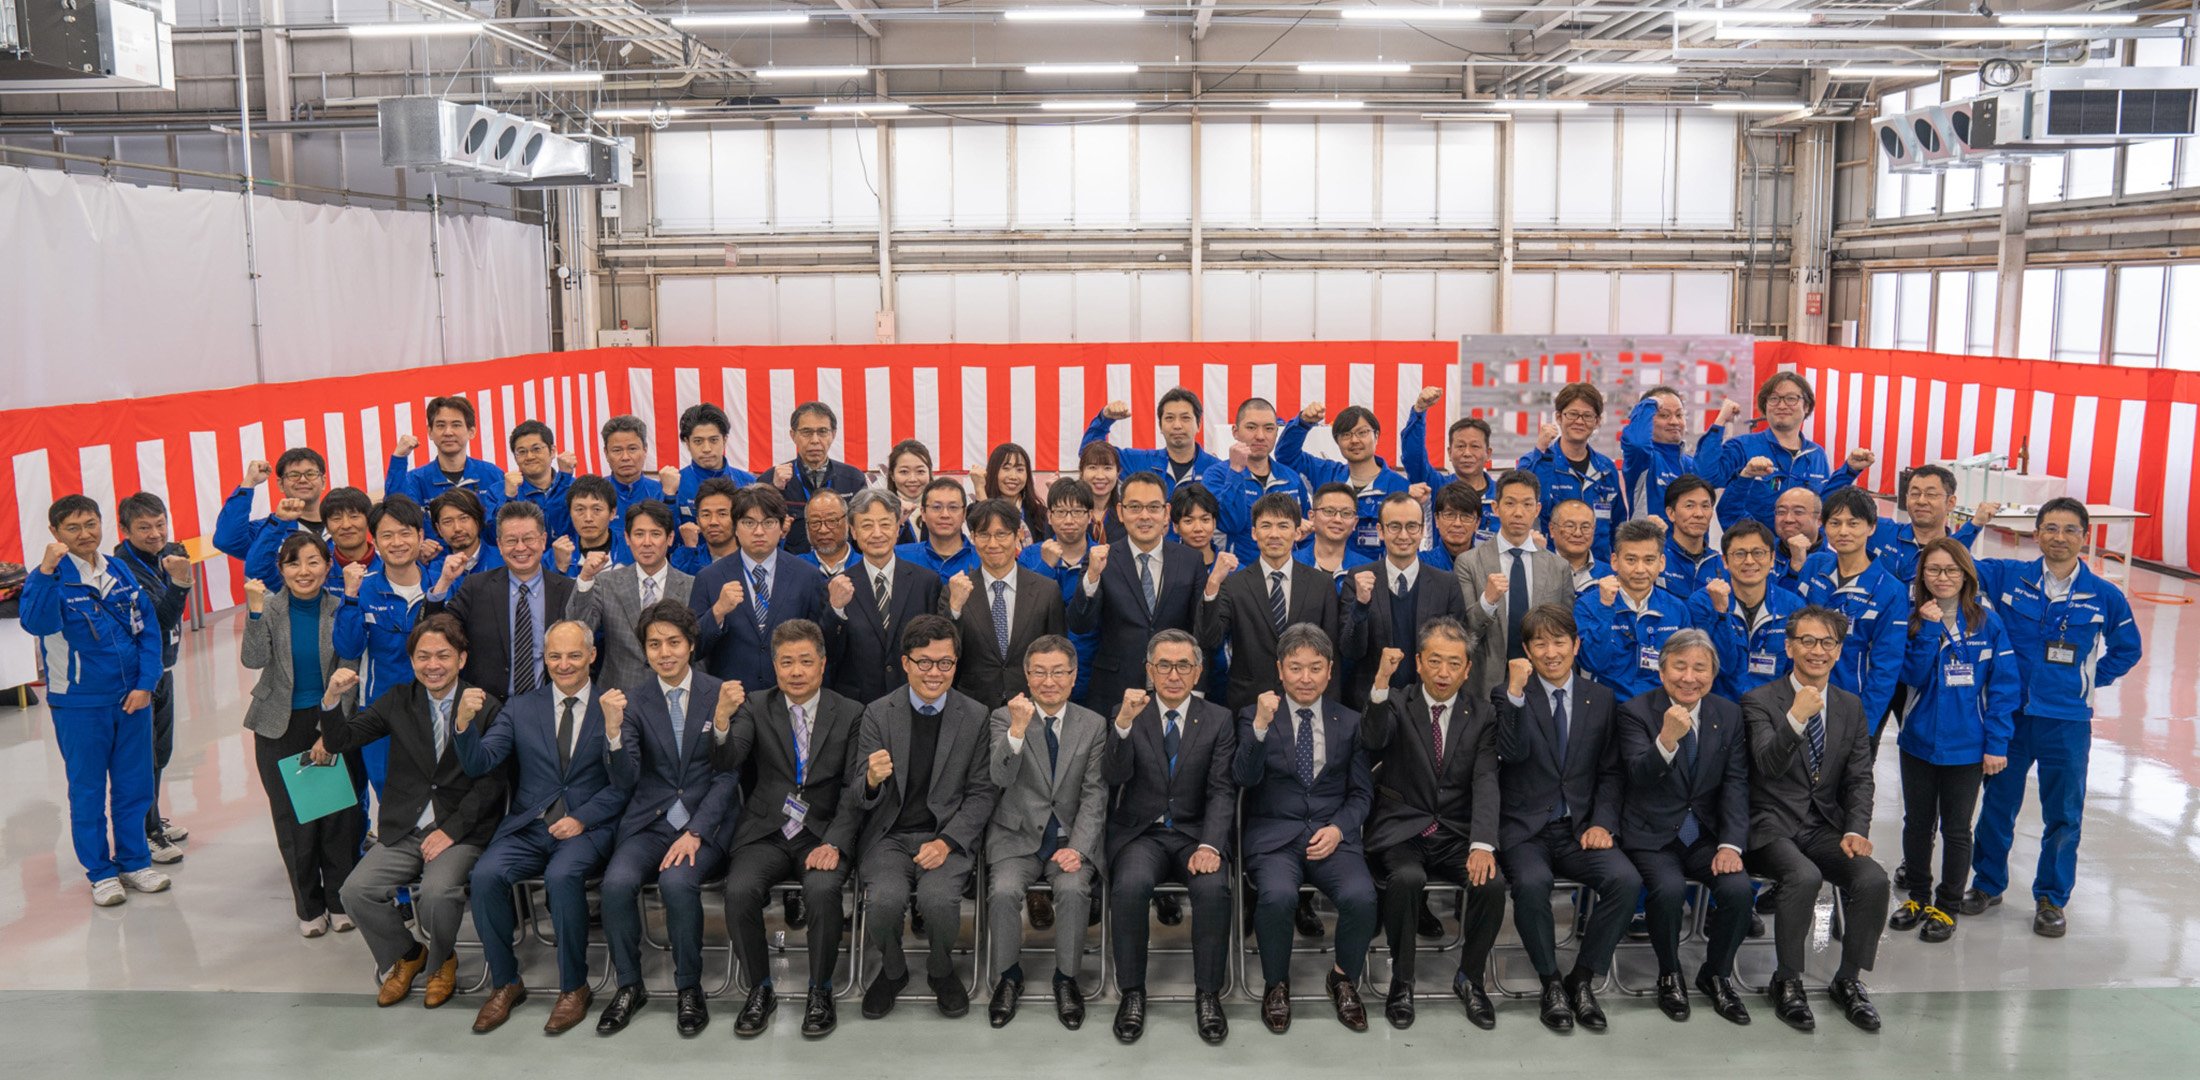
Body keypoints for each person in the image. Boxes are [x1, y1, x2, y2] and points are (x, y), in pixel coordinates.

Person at [1964, 498, 2142, 937]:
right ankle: (1987, 884)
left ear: (2084, 537)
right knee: (1997, 805)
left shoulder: (2105, 596)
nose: (2058, 537)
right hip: (2011, 718)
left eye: (2068, 530)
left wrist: (2088, 679)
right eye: (2049, 528)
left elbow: (2128, 648)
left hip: (2066, 722)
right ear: (2036, 533)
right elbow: (1951, 559)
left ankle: (2051, 898)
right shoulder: (2009, 577)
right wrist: (1974, 524)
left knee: (2063, 814)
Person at [316, 613, 507, 1008]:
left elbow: (492, 782)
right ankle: (406, 954)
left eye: (443, 655)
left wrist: (451, 831)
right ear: (412, 661)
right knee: (356, 890)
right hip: (406, 828)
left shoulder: (485, 706)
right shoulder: (398, 701)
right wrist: (332, 699)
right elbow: (340, 740)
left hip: (461, 831)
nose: (433, 665)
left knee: (438, 893)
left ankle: (442, 962)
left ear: (462, 659)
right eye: (423, 657)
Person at [454, 621, 632, 1035]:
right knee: (485, 875)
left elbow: (625, 783)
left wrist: (582, 817)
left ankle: (573, 987)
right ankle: (505, 982)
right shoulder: (520, 707)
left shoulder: (614, 704)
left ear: (592, 655)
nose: (564, 664)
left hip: (588, 826)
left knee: (562, 875)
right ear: (544, 658)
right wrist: (463, 726)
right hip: (530, 826)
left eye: (573, 655)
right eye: (555, 656)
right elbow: (481, 762)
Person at [709, 619, 865, 1039]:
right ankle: (760, 989)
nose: (796, 671)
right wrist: (721, 721)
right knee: (739, 890)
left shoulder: (850, 712)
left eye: (805, 662)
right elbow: (728, 760)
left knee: (822, 891)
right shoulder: (755, 705)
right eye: (786, 662)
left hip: (822, 831)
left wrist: (835, 841)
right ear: (775, 665)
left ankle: (821, 990)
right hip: (767, 830)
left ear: (823, 664)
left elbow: (855, 787)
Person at [595, 600, 742, 1037]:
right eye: (654, 644)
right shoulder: (634, 701)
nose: (665, 652)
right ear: (644, 651)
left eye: (673, 642)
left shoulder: (721, 693)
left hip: (705, 823)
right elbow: (625, 779)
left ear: (691, 644)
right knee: (616, 883)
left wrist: (696, 831)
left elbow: (728, 773)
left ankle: (688, 987)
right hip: (650, 823)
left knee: (678, 884)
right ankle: (628, 984)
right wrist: (614, 731)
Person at [1740, 605, 1889, 1033]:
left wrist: (1856, 829)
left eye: (1827, 643)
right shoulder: (1759, 701)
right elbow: (1767, 765)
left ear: (1839, 651)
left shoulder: (1850, 706)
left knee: (1873, 879)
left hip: (1824, 826)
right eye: (1807, 641)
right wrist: (1797, 715)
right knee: (1803, 877)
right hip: (1771, 826)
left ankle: (1849, 980)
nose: (1817, 651)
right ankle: (1786, 980)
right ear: (1789, 647)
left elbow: (1860, 777)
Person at [1491, 605, 1639, 1034]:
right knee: (1533, 886)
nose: (1551, 652)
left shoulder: (1603, 699)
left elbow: (1611, 771)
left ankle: (1582, 979)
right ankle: (1550, 980)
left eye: (1559, 642)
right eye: (1540, 643)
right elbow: (1510, 753)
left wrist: (1603, 823)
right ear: (1526, 649)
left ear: (1576, 645)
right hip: (1525, 831)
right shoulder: (1507, 695)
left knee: (1625, 881)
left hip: (1579, 830)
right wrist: (1516, 694)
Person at [1359, 620, 1507, 1031]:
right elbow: (1372, 738)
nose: (1443, 673)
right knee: (1406, 878)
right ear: (1420, 663)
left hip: (1457, 833)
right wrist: (1380, 682)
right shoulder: (1396, 701)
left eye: (1453, 664)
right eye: (1435, 662)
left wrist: (1483, 843)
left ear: (1467, 669)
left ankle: (1471, 978)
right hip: (1403, 829)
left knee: (1491, 883)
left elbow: (1485, 780)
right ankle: (1401, 981)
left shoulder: (1482, 715)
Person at [22, 495, 169, 907]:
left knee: (134, 785)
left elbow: (147, 629)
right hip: (80, 704)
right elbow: (38, 622)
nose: (85, 534)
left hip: (132, 700)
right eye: (73, 528)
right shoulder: (49, 579)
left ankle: (135, 861)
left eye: (91, 523)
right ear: (55, 534)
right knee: (87, 790)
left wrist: (146, 683)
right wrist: (48, 571)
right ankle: (101, 872)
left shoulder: (118, 568)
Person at [850, 614, 1000, 1021]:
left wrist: (948, 842)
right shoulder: (878, 713)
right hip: (889, 836)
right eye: (925, 662)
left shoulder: (975, 715)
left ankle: (939, 967)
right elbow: (857, 795)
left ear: (956, 663)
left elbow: (982, 792)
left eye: (945, 663)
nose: (935, 673)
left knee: (938, 902)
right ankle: (894, 970)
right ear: (906, 663)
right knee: (883, 901)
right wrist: (870, 781)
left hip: (945, 834)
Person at [1235, 625, 1377, 1034]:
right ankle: (1276, 984)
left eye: (1315, 668)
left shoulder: (1348, 722)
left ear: (1330, 671)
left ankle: (1342, 977)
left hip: (1333, 836)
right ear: (1280, 670)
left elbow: (1361, 795)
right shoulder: (1254, 714)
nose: (1305, 678)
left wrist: (1338, 829)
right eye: (1295, 668)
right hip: (1275, 839)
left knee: (1362, 896)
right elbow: (1244, 778)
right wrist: (1260, 728)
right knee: (1277, 897)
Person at [1615, 630, 1756, 1026]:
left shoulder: (1727, 714)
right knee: (1669, 889)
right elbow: (1638, 777)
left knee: (1739, 889)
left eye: (1700, 668)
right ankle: (1669, 973)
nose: (1689, 677)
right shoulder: (1635, 712)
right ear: (1662, 671)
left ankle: (1715, 973)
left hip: (1705, 836)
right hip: (1652, 835)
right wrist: (1666, 740)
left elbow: (1735, 783)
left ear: (1713, 673)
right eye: (1680, 667)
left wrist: (1731, 844)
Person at [1104, 632, 1236, 1045]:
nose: (1173, 674)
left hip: (1196, 834)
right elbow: (1114, 777)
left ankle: (1209, 993)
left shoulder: (1218, 718)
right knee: (1129, 886)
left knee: (1214, 889)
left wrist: (1211, 845)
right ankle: (1132, 992)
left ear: (1197, 671)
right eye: (1164, 665)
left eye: (1183, 665)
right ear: (1149, 670)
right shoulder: (1127, 712)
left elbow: (1221, 790)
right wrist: (1122, 725)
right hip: (1143, 833)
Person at [1888, 539, 2019, 946]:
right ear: (1921, 576)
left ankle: (1947, 905)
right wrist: (1927, 629)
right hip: (1919, 743)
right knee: (1917, 824)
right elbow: (1910, 675)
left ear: (1965, 574)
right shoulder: (1912, 620)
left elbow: (2003, 688)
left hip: (1967, 746)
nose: (1942, 578)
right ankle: (1918, 898)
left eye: (1951, 570)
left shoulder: (1987, 623)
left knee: (1958, 830)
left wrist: (1997, 744)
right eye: (1933, 570)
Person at [982, 636, 1109, 1030]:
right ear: (1027, 675)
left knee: (1073, 891)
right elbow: (999, 777)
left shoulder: (1093, 724)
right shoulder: (1004, 717)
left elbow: (1095, 794)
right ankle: (1008, 976)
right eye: (1039, 672)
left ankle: (1066, 979)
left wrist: (1080, 848)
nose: (1048, 681)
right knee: (1002, 892)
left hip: (1069, 839)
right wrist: (1018, 731)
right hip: (1015, 837)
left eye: (1058, 672)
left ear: (1073, 677)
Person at [240, 535, 358, 931]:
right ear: (282, 569)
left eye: (312, 562)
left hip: (328, 715)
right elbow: (253, 659)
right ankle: (308, 908)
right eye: (293, 564)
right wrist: (254, 613)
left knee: (336, 815)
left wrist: (332, 727)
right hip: (278, 723)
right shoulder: (270, 608)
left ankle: (338, 902)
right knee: (294, 820)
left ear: (328, 565)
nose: (303, 572)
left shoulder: (340, 608)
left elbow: (349, 671)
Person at [1195, 491, 1362, 711]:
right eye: (1266, 526)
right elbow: (1209, 639)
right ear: (1254, 533)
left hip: (1308, 703)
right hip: (1249, 705)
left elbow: (1332, 653)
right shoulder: (1233, 584)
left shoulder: (1322, 584)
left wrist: (1330, 706)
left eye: (1283, 526)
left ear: (1296, 531)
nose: (1274, 534)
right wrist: (1213, 584)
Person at [1068, 472, 1203, 713]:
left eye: (1153, 507)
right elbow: (1080, 624)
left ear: (1166, 511)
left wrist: (1198, 685)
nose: (1144, 516)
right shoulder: (1102, 558)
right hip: (1115, 690)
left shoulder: (1191, 560)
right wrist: (1091, 578)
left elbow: (1200, 631)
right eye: (1135, 507)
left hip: (1176, 687)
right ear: (1120, 512)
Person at [112, 492, 195, 863]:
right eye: (144, 528)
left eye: (160, 524)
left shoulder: (163, 553)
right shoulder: (124, 569)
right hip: (138, 677)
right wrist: (180, 584)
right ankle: (146, 833)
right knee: (140, 757)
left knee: (160, 753)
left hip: (164, 669)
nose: (155, 534)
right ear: (125, 530)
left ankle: (151, 819)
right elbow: (159, 622)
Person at [1795, 488, 1908, 752]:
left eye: (1853, 523)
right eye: (1835, 523)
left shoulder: (1889, 590)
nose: (1843, 531)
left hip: (1851, 707)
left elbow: (1886, 666)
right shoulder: (1815, 567)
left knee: (1848, 789)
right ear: (1824, 527)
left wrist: (1864, 726)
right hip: (1801, 698)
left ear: (1871, 528)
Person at [427, 501, 573, 699]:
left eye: (528, 539)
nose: (521, 548)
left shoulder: (567, 590)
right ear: (500, 544)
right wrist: (444, 582)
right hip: (487, 709)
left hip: (549, 708)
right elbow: (433, 632)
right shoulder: (475, 587)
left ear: (543, 539)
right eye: (511, 540)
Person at [692, 483, 829, 692]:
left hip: (790, 697)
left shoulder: (807, 576)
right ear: (735, 527)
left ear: (782, 527)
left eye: (768, 522)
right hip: (733, 700)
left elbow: (822, 643)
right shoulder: (709, 578)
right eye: (748, 522)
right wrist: (717, 612)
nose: (758, 531)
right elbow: (693, 648)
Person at [1346, 492, 1474, 709]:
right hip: (1371, 704)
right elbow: (1351, 650)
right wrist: (1361, 605)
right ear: (1381, 531)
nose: (1403, 535)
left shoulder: (1447, 584)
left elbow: (1457, 651)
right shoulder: (1358, 578)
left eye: (1412, 526)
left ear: (1422, 530)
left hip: (1429, 707)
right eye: (1394, 526)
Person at [1700, 372, 1872, 531]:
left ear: (1806, 406)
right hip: (1756, 552)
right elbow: (1707, 478)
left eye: (1791, 398)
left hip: (1803, 552)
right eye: (1774, 399)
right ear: (1765, 406)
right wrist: (1721, 420)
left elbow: (1821, 505)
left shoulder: (1816, 454)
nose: (1781, 405)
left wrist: (1849, 470)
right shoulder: (1742, 447)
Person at [1455, 471, 1572, 703]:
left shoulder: (1558, 567)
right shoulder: (1469, 562)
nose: (1518, 512)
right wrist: (1487, 601)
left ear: (1537, 509)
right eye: (1510, 503)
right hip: (1484, 688)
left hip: (1542, 685)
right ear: (1496, 508)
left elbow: (1565, 634)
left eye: (1527, 504)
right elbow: (1463, 634)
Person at [941, 499, 1068, 711]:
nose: (993, 544)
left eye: (1001, 534)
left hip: (1032, 704)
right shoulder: (955, 590)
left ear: (1017, 535)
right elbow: (945, 653)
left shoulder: (1046, 590)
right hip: (972, 707)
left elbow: (1059, 655)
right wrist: (954, 609)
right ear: (972, 537)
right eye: (984, 534)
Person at [824, 489, 945, 706]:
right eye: (867, 525)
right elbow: (828, 654)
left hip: (914, 700)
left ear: (898, 528)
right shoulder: (837, 586)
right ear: (853, 531)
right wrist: (836, 609)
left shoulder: (926, 582)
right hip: (857, 706)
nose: (877, 533)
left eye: (885, 524)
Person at [569, 499, 693, 690]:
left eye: (656, 534)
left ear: (670, 538)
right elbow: (578, 629)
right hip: (619, 695)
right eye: (639, 534)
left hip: (675, 693)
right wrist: (585, 578)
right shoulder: (606, 583)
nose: (647, 543)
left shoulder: (690, 586)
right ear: (627, 538)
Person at [1276, 403, 1412, 564]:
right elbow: (1286, 456)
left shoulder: (1399, 487)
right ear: (1337, 441)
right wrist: (1302, 423)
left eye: (1362, 433)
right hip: (1322, 575)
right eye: (1346, 435)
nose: (1354, 440)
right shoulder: (1326, 473)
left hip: (1372, 579)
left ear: (1376, 436)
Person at [1576, 518, 1694, 703]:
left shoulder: (1677, 609)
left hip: (1660, 708)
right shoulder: (1588, 605)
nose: (1640, 569)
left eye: (1649, 560)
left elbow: (1685, 668)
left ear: (1662, 563)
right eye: (1631, 560)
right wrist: (1605, 608)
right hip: (1607, 707)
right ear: (1614, 561)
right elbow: (1594, 663)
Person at [1690, 519, 1807, 701]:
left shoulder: (1793, 606)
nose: (1749, 561)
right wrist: (1721, 614)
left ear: (1772, 559)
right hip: (1719, 708)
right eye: (1740, 554)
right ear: (1725, 561)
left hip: (1772, 710)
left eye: (1758, 553)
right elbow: (1722, 667)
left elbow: (1796, 670)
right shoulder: (1703, 602)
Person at [1517, 383, 1623, 559]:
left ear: (1597, 421)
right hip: (1550, 568)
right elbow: (1519, 497)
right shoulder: (1537, 461)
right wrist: (1540, 450)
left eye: (1587, 416)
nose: (1579, 421)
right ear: (1559, 417)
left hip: (1598, 569)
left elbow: (1618, 525)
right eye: (1573, 414)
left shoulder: (1606, 469)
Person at [1203, 397, 1310, 564]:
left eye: (1268, 428)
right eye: (1251, 427)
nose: (1260, 436)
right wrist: (1236, 471)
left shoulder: (1291, 478)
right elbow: (1230, 524)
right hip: (1237, 573)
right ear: (1235, 432)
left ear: (1276, 432)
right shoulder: (1217, 475)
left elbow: (1308, 534)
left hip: (1285, 575)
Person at [386, 396, 506, 543]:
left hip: (488, 562)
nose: (448, 432)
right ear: (430, 432)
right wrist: (399, 458)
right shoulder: (415, 480)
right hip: (436, 563)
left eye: (456, 425)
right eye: (440, 425)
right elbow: (395, 513)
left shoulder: (492, 475)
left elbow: (506, 526)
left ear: (471, 431)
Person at [1025, 478, 1103, 702]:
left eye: (1077, 511)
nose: (1069, 520)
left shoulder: (1104, 557)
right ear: (1049, 516)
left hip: (1092, 669)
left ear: (1090, 516)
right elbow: (1026, 609)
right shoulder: (1032, 556)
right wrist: (1046, 566)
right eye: (1061, 512)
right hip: (1042, 674)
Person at [1622, 390, 1739, 527]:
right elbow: (1638, 443)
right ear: (1647, 420)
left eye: (1679, 415)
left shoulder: (1691, 464)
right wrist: (1649, 404)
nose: (1674, 422)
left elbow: (1714, 474)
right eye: (1664, 415)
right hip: (1652, 546)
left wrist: (1721, 421)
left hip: (1693, 547)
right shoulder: (1643, 461)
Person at [1398, 387, 1499, 544]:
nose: (1467, 453)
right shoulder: (1435, 487)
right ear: (1449, 452)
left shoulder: (1502, 495)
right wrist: (1419, 411)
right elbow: (1413, 457)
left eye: (1475, 446)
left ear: (1488, 453)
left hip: (1490, 569)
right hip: (1441, 568)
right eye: (1460, 446)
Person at [1870, 464, 2001, 583]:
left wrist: (1975, 525)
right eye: (1915, 494)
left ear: (1950, 503)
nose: (1921, 501)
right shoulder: (1881, 531)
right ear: (1906, 499)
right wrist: (1851, 470)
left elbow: (1950, 551)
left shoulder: (1960, 562)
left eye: (1931, 494)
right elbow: (1850, 511)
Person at [772, 401, 869, 556]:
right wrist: (774, 491)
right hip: (792, 570)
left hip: (845, 568)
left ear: (833, 434)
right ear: (793, 435)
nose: (815, 440)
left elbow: (865, 529)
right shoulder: (772, 480)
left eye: (822, 431)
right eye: (807, 432)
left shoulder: (853, 479)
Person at [1082, 388, 1220, 494]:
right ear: (1160, 425)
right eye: (1169, 418)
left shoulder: (1217, 470)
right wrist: (1104, 420)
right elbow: (1088, 453)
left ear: (1199, 424)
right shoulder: (1140, 462)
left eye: (1185, 418)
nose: (1177, 425)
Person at [1166, 483, 1232, 700]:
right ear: (1175, 526)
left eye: (1205, 520)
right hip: (1180, 675)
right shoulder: (1165, 567)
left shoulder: (1231, 567)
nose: (1198, 528)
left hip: (1226, 675)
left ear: (1214, 522)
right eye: (1188, 520)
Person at [244, 486, 374, 591]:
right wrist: (279, 521)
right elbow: (257, 570)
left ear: (369, 520)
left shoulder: (389, 566)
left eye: (354, 516)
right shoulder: (312, 572)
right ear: (327, 527)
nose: (346, 525)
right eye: (336, 518)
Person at [213, 449, 331, 562]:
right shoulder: (266, 530)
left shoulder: (343, 525)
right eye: (294, 475)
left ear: (323, 481)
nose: (303, 480)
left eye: (310, 474)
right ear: (280, 484)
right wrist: (249, 482)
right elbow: (227, 541)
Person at [667, 402, 756, 528]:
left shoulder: (749, 483)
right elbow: (666, 535)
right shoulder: (673, 485)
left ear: (725, 439)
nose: (707, 449)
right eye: (698, 441)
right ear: (687, 443)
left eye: (713, 440)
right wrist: (668, 495)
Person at [503, 419, 577, 543]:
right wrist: (509, 498)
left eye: (536, 449)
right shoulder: (501, 491)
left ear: (552, 451)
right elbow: (493, 537)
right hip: (522, 560)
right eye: (522, 452)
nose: (530, 457)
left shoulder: (575, 487)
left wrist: (563, 480)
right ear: (515, 457)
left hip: (572, 560)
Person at [896, 477, 978, 581]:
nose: (945, 515)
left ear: (964, 514)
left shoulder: (982, 558)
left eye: (953, 507)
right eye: (936, 507)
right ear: (923, 513)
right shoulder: (900, 556)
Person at [1658, 476, 1727, 598]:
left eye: (1705, 506)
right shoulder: (1655, 559)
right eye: (1689, 506)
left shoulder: (1722, 564)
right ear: (1671, 513)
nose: (1699, 514)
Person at [1296, 482, 1377, 584]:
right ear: (1312, 516)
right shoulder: (1292, 563)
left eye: (1346, 513)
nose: (1338, 519)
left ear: (1355, 522)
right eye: (1329, 511)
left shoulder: (1368, 570)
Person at [553, 474, 630, 575]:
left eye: (597, 509)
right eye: (580, 509)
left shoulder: (630, 550)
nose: (588, 518)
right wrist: (560, 568)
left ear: (612, 513)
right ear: (570, 513)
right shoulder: (555, 554)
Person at [425, 488, 502, 583]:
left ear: (478, 520)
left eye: (464, 518)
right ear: (439, 529)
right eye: (447, 522)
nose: (457, 528)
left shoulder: (503, 559)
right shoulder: (433, 569)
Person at [669, 476, 741, 575]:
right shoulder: (684, 556)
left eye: (722, 514)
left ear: (737, 518)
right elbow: (684, 586)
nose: (713, 522)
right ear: (697, 520)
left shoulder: (751, 557)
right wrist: (691, 550)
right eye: (706, 515)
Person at [981, 442, 1051, 544]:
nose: (1013, 476)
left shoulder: (1039, 515)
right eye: (1006, 468)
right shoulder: (976, 508)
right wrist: (979, 488)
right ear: (993, 471)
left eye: (1020, 469)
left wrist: (1056, 496)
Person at [598, 415, 666, 513]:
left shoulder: (660, 492)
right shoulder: (595, 494)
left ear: (645, 450)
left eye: (632, 449)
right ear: (606, 453)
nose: (625, 457)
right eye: (617, 450)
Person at [1418, 480, 1485, 573]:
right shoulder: (1420, 564)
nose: (1457, 523)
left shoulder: (1488, 566)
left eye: (1466, 516)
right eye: (1450, 515)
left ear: (1477, 523)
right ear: (1437, 519)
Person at [1546, 498, 1610, 593]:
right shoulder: (1539, 570)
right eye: (1570, 526)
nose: (1578, 533)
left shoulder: (1610, 575)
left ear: (1594, 530)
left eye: (1585, 527)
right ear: (1552, 529)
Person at [1771, 486, 1825, 593]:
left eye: (1798, 512)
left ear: (1819, 520)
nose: (1788, 519)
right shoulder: (1762, 552)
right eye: (1781, 512)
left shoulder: (1834, 558)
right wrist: (1794, 567)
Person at [883, 439, 934, 546]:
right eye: (904, 472)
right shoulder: (880, 509)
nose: (912, 479)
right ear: (892, 475)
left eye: (920, 471)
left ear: (929, 473)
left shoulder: (943, 509)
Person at [1078, 442, 1130, 545]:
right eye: (1092, 467)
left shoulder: (1127, 512)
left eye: (1107, 468)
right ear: (1081, 472)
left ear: (1118, 472)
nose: (1100, 476)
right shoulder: (1069, 513)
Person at [798, 490, 859, 577]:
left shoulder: (866, 565)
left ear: (847, 521)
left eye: (831, 521)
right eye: (815, 522)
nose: (823, 530)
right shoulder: (795, 568)